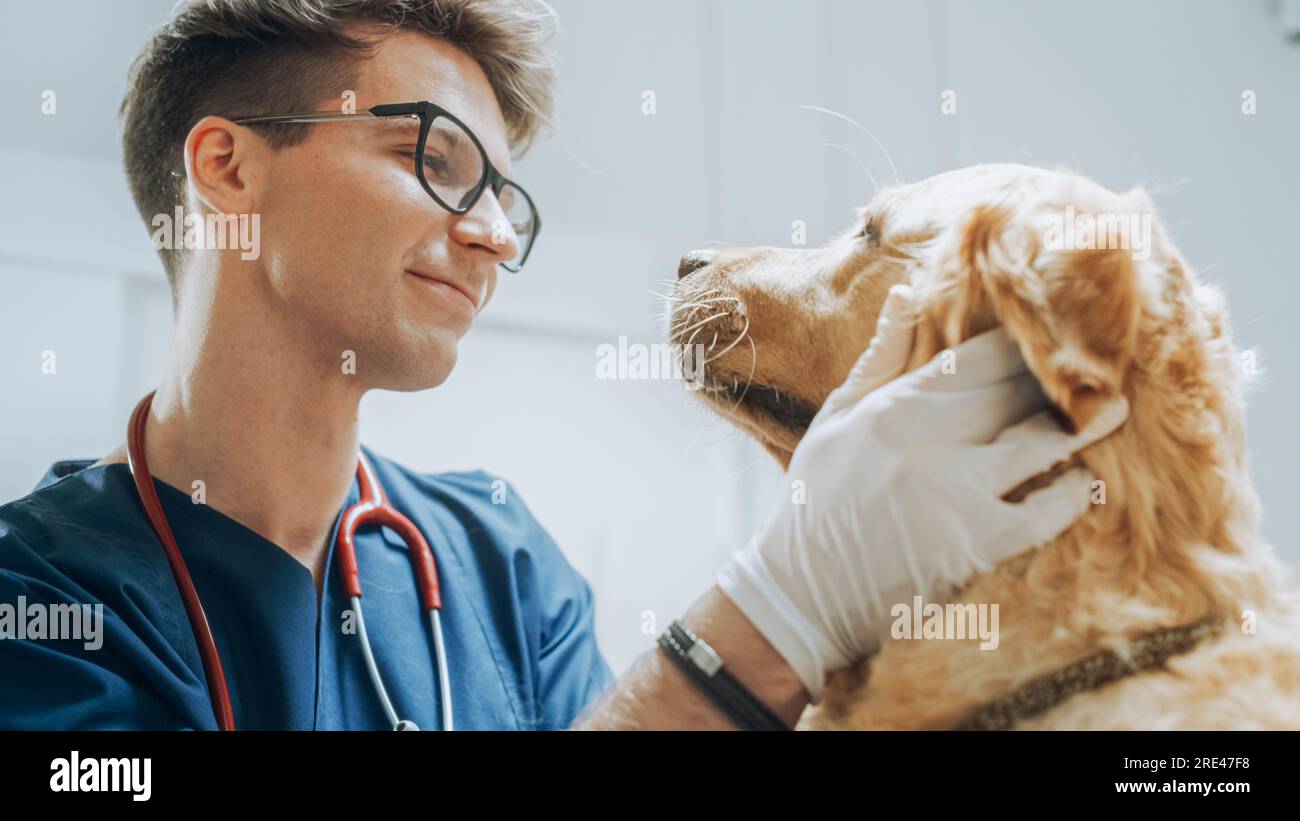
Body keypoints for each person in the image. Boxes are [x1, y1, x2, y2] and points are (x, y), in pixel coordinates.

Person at [0, 0, 1126, 730]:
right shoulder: (41, 598)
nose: (492, 231)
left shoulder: (498, 561)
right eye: (434, 159)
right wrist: (783, 604)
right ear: (228, 169)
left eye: (504, 196)